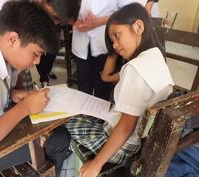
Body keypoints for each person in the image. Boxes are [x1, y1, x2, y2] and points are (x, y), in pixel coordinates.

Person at [66, 3, 174, 177]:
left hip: (124, 147)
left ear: (138, 26)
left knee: (69, 121)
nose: (115, 44)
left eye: (117, 35)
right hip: (139, 141)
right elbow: (106, 77)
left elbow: (125, 127)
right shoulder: (155, 58)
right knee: (87, 116)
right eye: (112, 40)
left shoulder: (135, 69)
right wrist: (115, 49)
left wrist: (96, 164)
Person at [0, 1, 68, 177]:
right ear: (12, 39)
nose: (37, 62)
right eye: (36, 53)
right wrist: (25, 108)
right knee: (59, 139)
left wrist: (12, 94)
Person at [71, 0, 147, 101]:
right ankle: (82, 114)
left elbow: (131, 11)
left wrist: (99, 21)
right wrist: (72, 18)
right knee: (83, 83)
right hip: (81, 38)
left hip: (106, 39)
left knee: (102, 88)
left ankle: (100, 115)